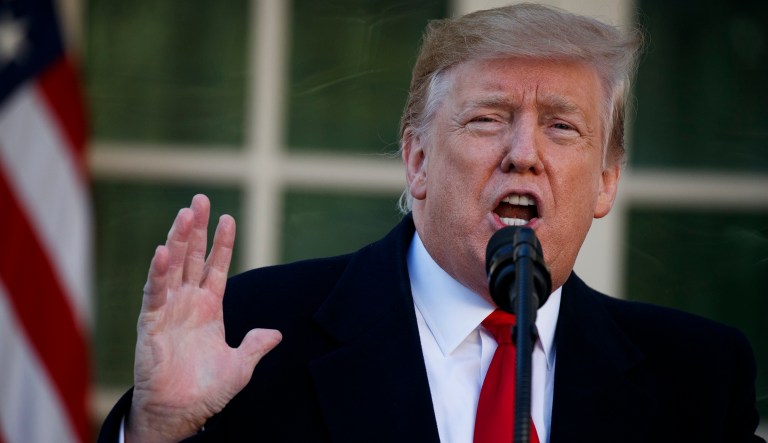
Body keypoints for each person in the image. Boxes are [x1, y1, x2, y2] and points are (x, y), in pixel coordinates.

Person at [98, 4, 764, 443]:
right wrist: (157, 430)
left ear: (606, 180)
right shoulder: (252, 334)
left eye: (561, 126)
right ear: (416, 158)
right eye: (488, 118)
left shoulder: (698, 375)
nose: (524, 153)